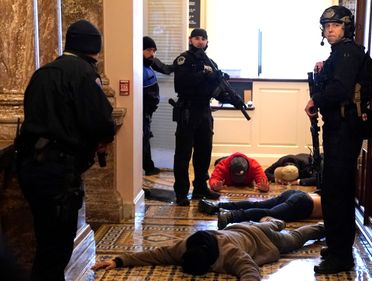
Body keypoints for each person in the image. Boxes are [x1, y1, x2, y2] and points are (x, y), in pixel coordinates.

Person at [14, 19, 116, 281]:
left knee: (45, 240)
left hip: (31, 167)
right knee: (57, 247)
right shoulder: (83, 73)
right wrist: (103, 138)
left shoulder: (43, 72)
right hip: (58, 171)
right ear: (94, 48)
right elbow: (100, 121)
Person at [304, 6, 368, 274]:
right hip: (339, 128)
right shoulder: (340, 54)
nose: (330, 30)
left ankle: (341, 256)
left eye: (335, 25)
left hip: (343, 130)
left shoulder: (346, 52)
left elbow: (340, 89)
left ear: (346, 27)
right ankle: (337, 245)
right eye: (326, 26)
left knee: (337, 193)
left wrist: (315, 99)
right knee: (334, 191)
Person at [91, 217, 325, 280]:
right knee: (268, 223)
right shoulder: (186, 246)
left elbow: (250, 272)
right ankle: (271, 221)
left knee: (295, 239)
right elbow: (155, 255)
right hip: (242, 227)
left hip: (264, 240)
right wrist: (118, 261)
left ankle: (323, 227)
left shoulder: (231, 254)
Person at [172, 28, 221, 206]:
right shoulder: (183, 59)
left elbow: (216, 90)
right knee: (183, 154)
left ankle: (200, 188)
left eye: (203, 39)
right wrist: (205, 75)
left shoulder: (211, 62)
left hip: (204, 111)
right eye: (197, 38)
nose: (200, 42)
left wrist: (220, 83)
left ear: (207, 42)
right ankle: (181, 193)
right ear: (190, 40)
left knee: (204, 151)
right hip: (187, 110)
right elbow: (182, 83)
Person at [198, 189, 322, 230]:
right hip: (304, 203)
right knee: (270, 214)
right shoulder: (339, 204)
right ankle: (231, 216)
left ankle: (216, 206)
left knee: (258, 204)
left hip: (298, 194)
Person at [142, 36, 174, 176]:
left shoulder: (150, 61)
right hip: (141, 112)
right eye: (149, 50)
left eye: (154, 50)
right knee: (143, 139)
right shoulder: (135, 65)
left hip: (148, 112)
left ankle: (148, 166)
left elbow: (166, 69)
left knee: (146, 138)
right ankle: (147, 167)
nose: (152, 53)